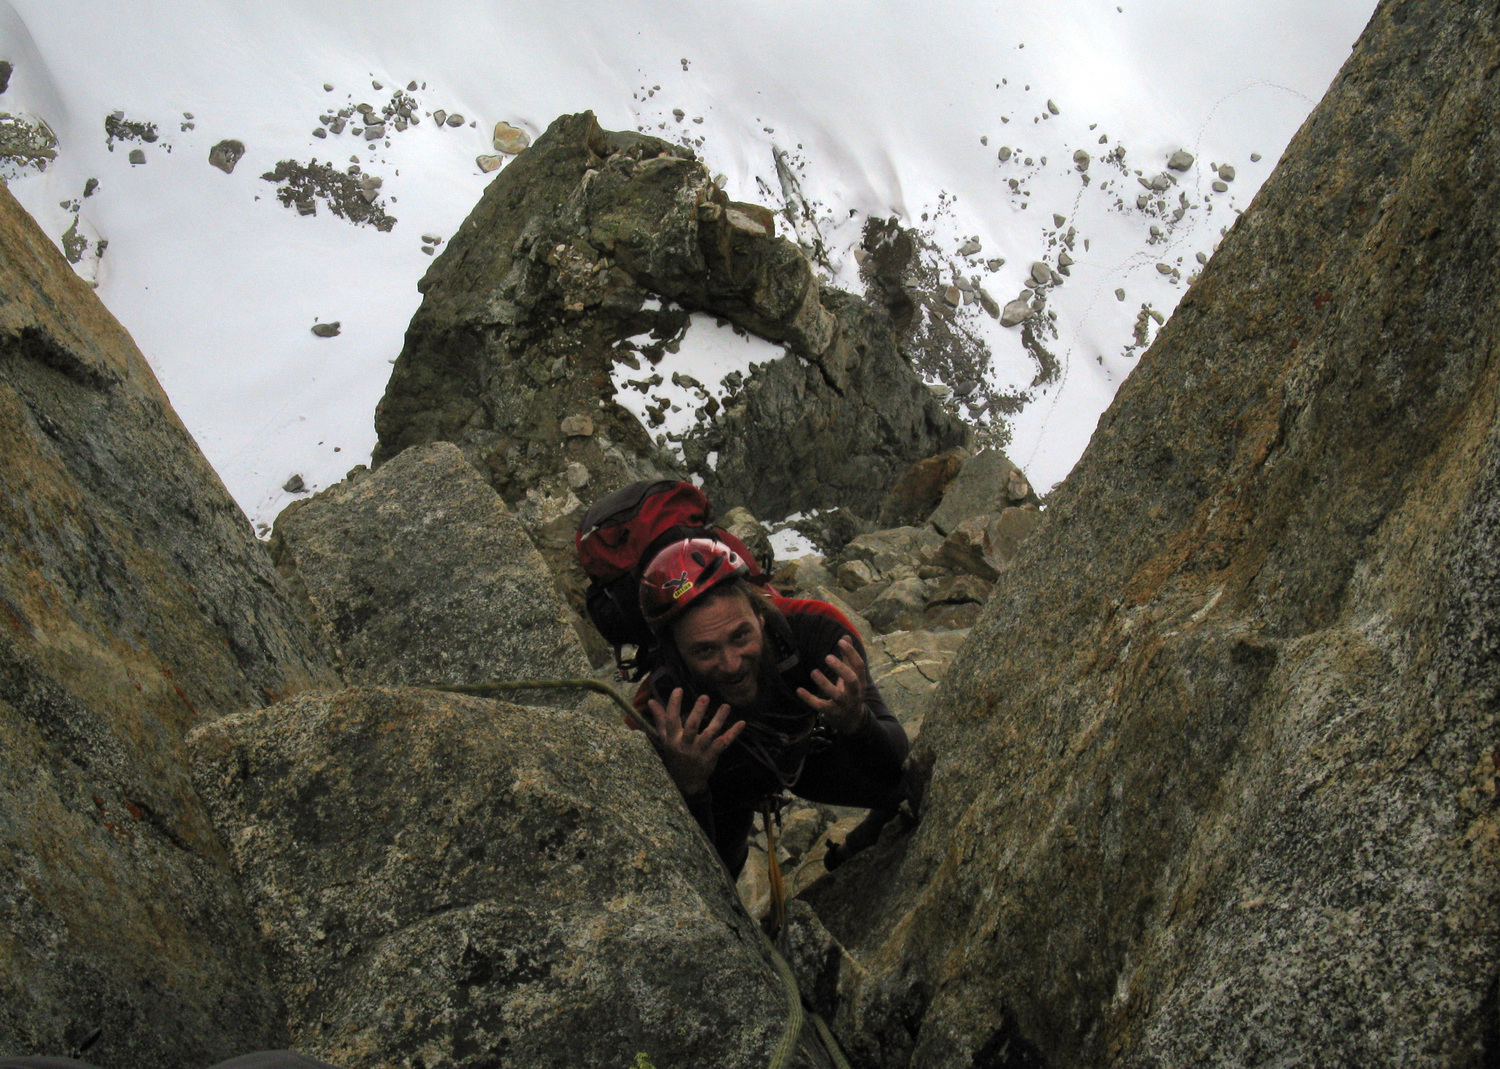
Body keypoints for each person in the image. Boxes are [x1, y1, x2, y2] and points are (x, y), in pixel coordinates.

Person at [634, 537, 912, 876]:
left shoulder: (815, 631)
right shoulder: (655, 712)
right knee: (722, 874)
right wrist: (689, 785)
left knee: (905, 788)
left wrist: (857, 721)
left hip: (802, 755)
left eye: (741, 636)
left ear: (761, 616)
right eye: (705, 651)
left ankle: (854, 845)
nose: (732, 664)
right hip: (724, 786)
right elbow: (685, 873)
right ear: (675, 653)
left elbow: (897, 762)